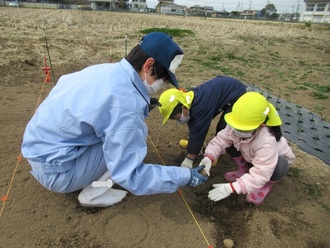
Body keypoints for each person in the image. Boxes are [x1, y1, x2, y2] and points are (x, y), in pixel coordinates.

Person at [21, 32, 208, 208]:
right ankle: (93, 194)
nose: (161, 85)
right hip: (57, 172)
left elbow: (100, 107)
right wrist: (183, 176)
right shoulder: (125, 104)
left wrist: (138, 107)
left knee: (126, 133)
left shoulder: (104, 71)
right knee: (134, 139)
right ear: (148, 65)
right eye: (164, 79)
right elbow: (130, 175)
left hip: (39, 150)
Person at [201, 92, 296, 205]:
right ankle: (244, 170)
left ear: (261, 125)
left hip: (270, 165)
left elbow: (262, 171)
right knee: (230, 141)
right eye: (236, 127)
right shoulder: (237, 123)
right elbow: (220, 141)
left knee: (280, 165)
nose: (236, 131)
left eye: (242, 129)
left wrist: (233, 187)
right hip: (251, 155)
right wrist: (209, 157)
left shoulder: (267, 141)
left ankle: (265, 185)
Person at [158, 76, 246, 170]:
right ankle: (200, 147)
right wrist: (198, 144)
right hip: (224, 90)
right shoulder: (188, 99)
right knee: (198, 128)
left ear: (183, 107)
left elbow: (199, 130)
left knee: (223, 128)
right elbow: (193, 124)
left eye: (177, 118)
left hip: (236, 95)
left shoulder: (201, 107)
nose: (178, 121)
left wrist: (189, 159)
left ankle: (221, 155)